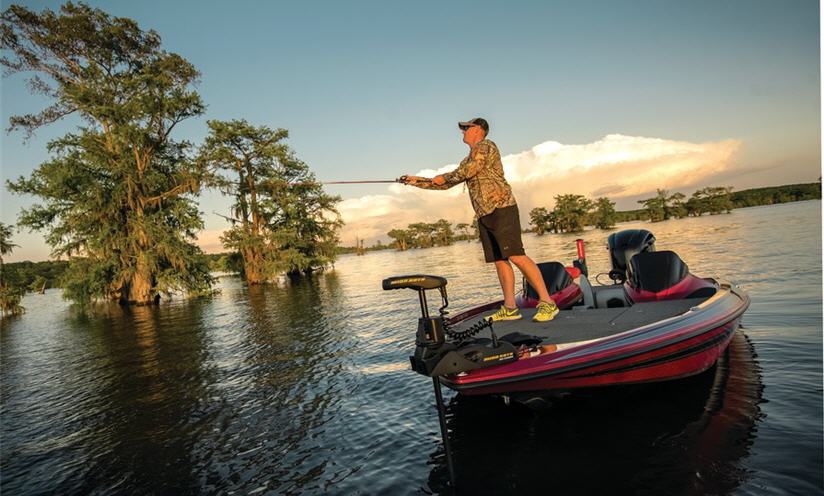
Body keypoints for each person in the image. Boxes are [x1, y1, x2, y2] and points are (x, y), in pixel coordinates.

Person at [400, 117, 559, 322]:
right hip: (484, 214)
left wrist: (444, 177)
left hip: (502, 208)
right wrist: (416, 181)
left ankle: (547, 302)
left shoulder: (486, 146)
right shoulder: (466, 160)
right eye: (463, 128)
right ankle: (510, 308)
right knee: (500, 260)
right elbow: (445, 184)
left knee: (516, 255)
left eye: (467, 127)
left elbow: (468, 171)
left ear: (479, 130)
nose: (463, 131)